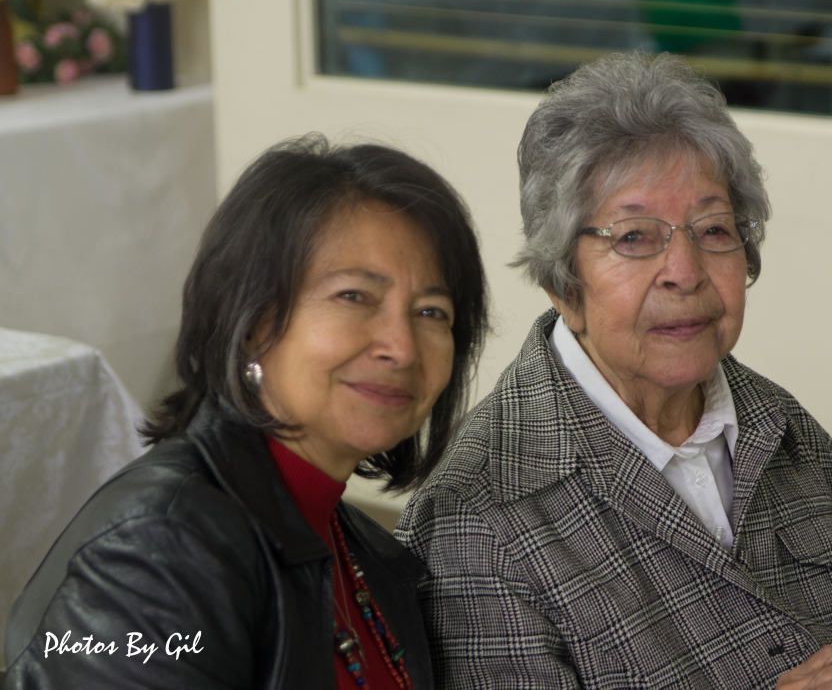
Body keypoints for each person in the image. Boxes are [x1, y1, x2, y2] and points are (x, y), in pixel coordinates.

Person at [395, 53, 832, 689]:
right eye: (634, 237)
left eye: (713, 229)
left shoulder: (779, 425)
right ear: (561, 280)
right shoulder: (478, 518)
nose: (685, 270)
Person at [3, 135, 488, 689]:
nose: (401, 347)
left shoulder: (361, 545)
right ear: (254, 321)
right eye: (354, 296)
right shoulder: (157, 552)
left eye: (431, 311)